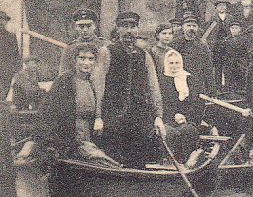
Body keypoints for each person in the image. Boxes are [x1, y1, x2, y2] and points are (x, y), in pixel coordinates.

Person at [34, 42, 119, 168]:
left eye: (91, 59)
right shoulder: (65, 81)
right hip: (70, 142)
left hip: (88, 140)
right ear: (75, 60)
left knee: (112, 164)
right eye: (82, 58)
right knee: (105, 165)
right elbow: (48, 112)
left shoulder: (93, 83)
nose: (86, 63)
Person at [100, 12, 166, 166]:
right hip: (113, 118)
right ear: (117, 29)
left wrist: (158, 116)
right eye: (125, 26)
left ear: (137, 29)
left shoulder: (144, 55)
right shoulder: (107, 52)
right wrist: (98, 116)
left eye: (133, 26)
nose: (129, 31)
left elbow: (153, 87)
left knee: (139, 160)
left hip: (139, 119)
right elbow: (98, 86)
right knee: (114, 161)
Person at [159, 48, 206, 161]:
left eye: (177, 63)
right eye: (171, 63)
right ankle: (168, 161)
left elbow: (197, 103)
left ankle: (187, 161)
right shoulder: (161, 80)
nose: (174, 66)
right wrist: (173, 116)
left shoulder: (190, 79)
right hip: (168, 119)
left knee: (187, 130)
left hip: (188, 119)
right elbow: (161, 103)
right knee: (169, 132)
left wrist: (186, 117)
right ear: (166, 63)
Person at [173, 13, 216, 98]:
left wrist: (211, 89)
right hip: (179, 85)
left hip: (197, 85)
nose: (191, 28)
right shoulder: (175, 44)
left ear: (197, 28)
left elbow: (208, 68)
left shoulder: (202, 45)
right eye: (188, 25)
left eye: (194, 26)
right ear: (183, 27)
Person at [220, 18, 251, 93]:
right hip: (229, 64)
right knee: (230, 82)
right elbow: (222, 53)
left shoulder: (245, 40)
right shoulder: (226, 40)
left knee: (241, 81)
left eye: (236, 28)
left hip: (241, 64)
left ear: (240, 29)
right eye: (232, 28)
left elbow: (248, 53)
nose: (234, 30)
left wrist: (244, 63)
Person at [207, 0, 233, 89]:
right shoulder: (213, 18)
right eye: (219, 6)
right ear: (216, 8)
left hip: (228, 45)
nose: (221, 7)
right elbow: (210, 32)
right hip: (216, 46)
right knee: (218, 66)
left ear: (226, 7)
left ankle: (228, 86)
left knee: (228, 66)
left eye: (223, 5)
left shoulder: (230, 18)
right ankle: (218, 86)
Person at [0, 10, 19, 97]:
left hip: (6, 70)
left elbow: (16, 54)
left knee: (3, 94)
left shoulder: (11, 37)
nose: (1, 22)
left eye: (3, 20)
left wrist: (17, 70)